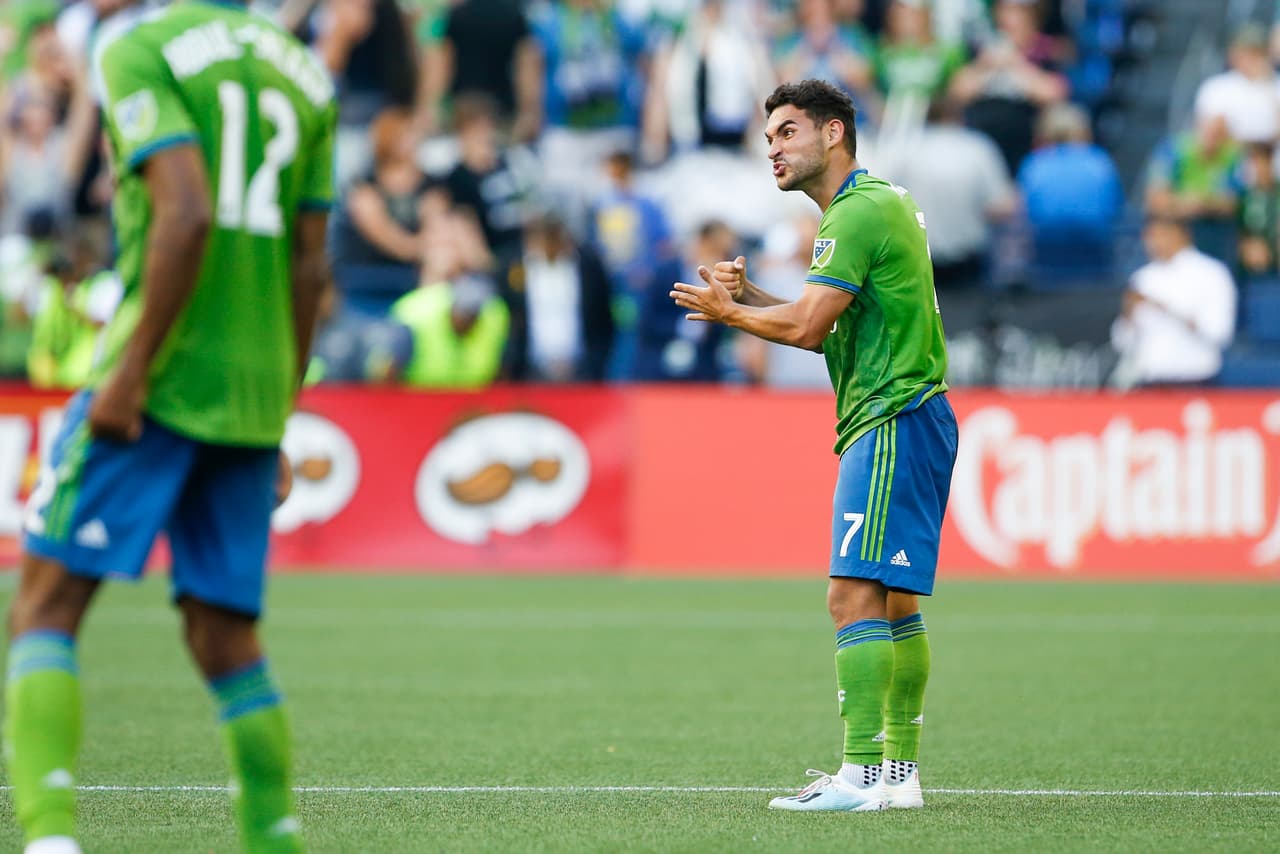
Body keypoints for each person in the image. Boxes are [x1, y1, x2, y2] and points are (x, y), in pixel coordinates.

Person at [5, 1, 336, 851]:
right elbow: (311, 264)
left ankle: (49, 840)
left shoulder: (139, 48)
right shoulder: (303, 72)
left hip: (160, 374)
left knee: (43, 604)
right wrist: (280, 413)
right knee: (224, 635)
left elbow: (185, 213)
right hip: (252, 390)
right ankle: (274, 840)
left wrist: (131, 371)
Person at [671, 79, 956, 812]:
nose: (774, 148)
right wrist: (751, 298)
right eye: (769, 137)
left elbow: (805, 329)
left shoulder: (855, 213)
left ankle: (859, 776)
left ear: (834, 133)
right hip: (913, 413)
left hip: (890, 416)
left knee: (850, 595)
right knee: (893, 600)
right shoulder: (873, 205)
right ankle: (898, 776)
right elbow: (822, 322)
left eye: (789, 132)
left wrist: (730, 312)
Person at [1110, 215, 1236, 388]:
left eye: (1159, 235)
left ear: (1180, 235)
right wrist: (1128, 314)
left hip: (1196, 380)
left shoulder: (1212, 273)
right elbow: (1122, 343)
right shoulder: (1143, 277)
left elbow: (1219, 333)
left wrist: (1165, 308)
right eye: (1148, 236)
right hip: (1151, 382)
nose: (1151, 243)